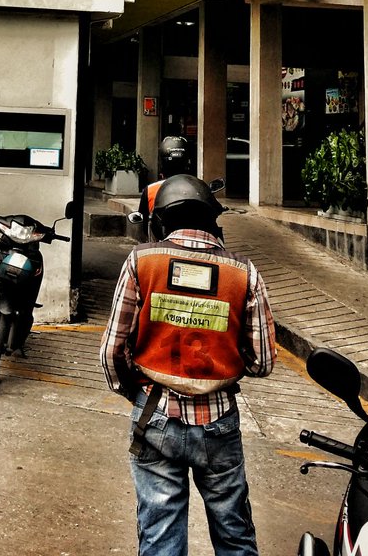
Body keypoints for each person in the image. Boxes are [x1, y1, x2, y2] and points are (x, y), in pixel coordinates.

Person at [101, 174, 276, 556]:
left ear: (160, 221)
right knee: (234, 536)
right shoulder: (244, 272)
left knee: (160, 539)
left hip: (154, 415)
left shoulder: (141, 261)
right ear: (214, 220)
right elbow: (262, 361)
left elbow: (112, 351)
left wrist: (136, 391)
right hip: (219, 423)